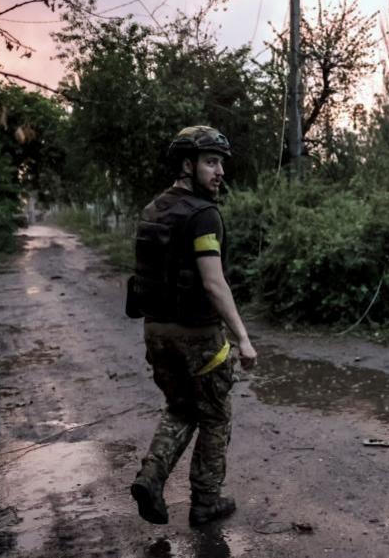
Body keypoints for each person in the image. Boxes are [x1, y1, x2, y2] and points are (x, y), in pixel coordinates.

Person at [127, 125, 258, 526]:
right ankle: (205, 501)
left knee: (181, 408)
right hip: (198, 336)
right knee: (216, 415)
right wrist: (243, 339)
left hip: (156, 333)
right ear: (188, 164)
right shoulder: (204, 215)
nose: (220, 171)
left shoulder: (153, 210)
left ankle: (151, 477)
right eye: (211, 162)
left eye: (221, 163)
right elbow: (214, 283)